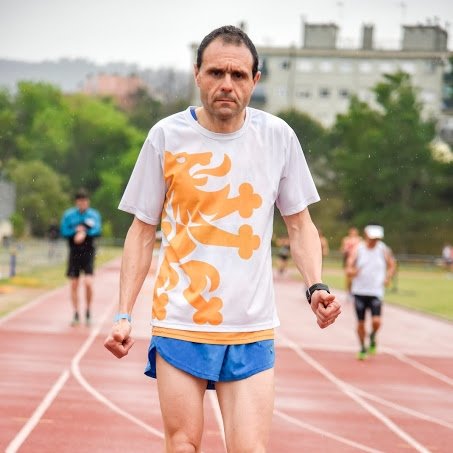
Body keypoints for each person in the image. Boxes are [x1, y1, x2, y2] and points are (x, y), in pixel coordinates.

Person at [104, 25, 341, 452]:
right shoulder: (166, 137)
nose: (226, 84)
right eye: (216, 73)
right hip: (181, 319)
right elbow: (142, 231)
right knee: (183, 444)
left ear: (255, 80)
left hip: (251, 324)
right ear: (197, 74)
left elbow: (300, 224)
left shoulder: (278, 137)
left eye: (238, 75)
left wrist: (316, 286)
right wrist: (124, 313)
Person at [346, 224, 396, 360]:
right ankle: (362, 347)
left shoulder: (383, 249)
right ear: (366, 236)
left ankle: (373, 336)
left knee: (376, 321)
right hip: (359, 292)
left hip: (376, 291)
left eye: (377, 239)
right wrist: (352, 272)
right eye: (373, 238)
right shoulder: (358, 249)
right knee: (361, 323)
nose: (375, 241)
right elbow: (349, 268)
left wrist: (388, 277)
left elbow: (392, 265)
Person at [60, 189, 102, 326]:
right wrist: (75, 232)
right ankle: (76, 313)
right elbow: (63, 231)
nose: (82, 203)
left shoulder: (94, 215)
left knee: (88, 283)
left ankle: (88, 310)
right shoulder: (69, 215)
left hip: (88, 252)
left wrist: (84, 232)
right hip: (74, 252)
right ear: (76, 202)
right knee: (74, 284)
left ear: (88, 201)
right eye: (80, 201)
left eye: (85, 201)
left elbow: (97, 229)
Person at [340, 226, 362, 292]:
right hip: (349, 259)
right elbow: (343, 249)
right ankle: (348, 290)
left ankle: (354, 290)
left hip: (357, 259)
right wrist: (345, 251)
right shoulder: (346, 240)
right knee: (348, 275)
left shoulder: (359, 239)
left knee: (356, 276)